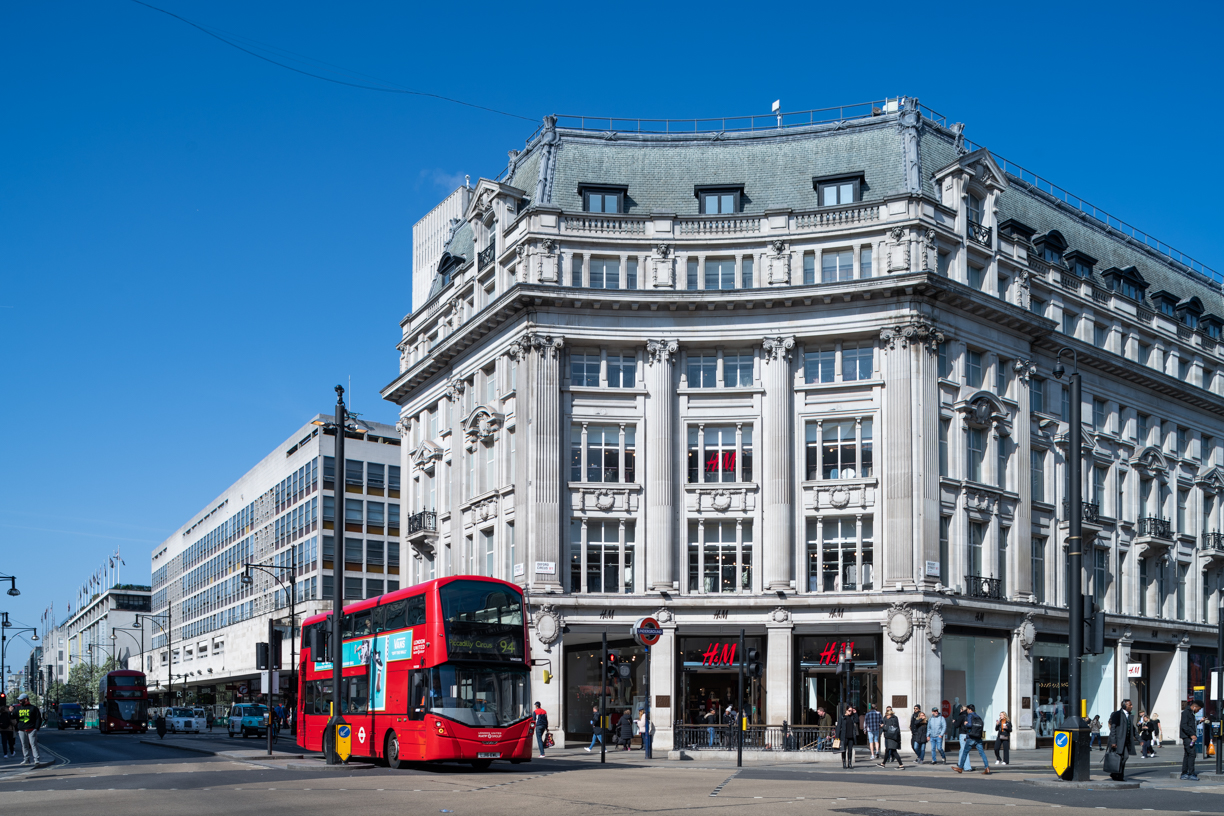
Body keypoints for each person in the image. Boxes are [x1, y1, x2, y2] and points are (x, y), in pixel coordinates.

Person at [953, 704, 990, 774]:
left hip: (971, 738)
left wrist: (966, 723)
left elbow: (970, 725)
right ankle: (987, 767)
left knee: (965, 753)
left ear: (970, 710)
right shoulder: (978, 716)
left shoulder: (970, 715)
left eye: (967, 710)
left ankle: (960, 768)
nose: (967, 711)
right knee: (982, 753)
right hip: (978, 738)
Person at [1106, 698, 1136, 781]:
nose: (1132, 706)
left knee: (1125, 757)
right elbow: (1113, 729)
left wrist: (1139, 739)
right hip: (1118, 741)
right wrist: (1113, 742)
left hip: (1125, 742)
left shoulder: (1129, 715)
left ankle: (1116, 773)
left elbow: (1133, 729)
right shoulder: (1117, 714)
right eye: (1130, 705)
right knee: (1118, 758)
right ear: (1124, 705)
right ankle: (1118, 775)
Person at [14, 693, 43, 766]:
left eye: (21, 700)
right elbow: (13, 717)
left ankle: (36, 759)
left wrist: (36, 728)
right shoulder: (17, 708)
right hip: (22, 730)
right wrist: (10, 712)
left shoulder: (33, 708)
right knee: (24, 745)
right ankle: (26, 759)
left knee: (33, 745)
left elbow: (38, 718)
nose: (20, 701)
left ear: (26, 699)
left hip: (31, 729)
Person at [1181, 701, 1202, 781]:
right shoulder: (1186, 713)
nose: (1198, 711)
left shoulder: (1190, 713)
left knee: (1187, 754)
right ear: (1195, 707)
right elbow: (1184, 725)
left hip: (1188, 736)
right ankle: (1191, 773)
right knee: (1192, 754)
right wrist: (1191, 734)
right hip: (1187, 737)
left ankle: (1184, 773)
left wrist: (1199, 721)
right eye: (1198, 709)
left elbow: (1191, 724)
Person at [837, 704, 858, 769]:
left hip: (851, 736)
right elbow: (838, 726)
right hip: (844, 736)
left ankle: (849, 763)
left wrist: (855, 713)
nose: (850, 712)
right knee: (843, 750)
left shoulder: (852, 717)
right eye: (849, 710)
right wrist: (837, 737)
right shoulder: (842, 717)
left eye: (851, 711)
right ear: (846, 710)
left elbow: (857, 720)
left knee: (850, 750)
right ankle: (844, 763)